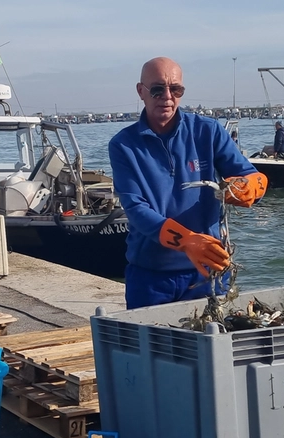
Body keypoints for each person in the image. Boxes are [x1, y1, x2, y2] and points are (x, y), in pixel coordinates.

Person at [109, 57, 269, 309]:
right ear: (141, 91)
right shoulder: (123, 145)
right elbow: (136, 209)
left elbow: (250, 174)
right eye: (157, 89)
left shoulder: (208, 131)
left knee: (213, 344)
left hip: (209, 272)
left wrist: (249, 187)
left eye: (176, 89)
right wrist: (186, 241)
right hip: (151, 277)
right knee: (151, 347)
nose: (167, 96)